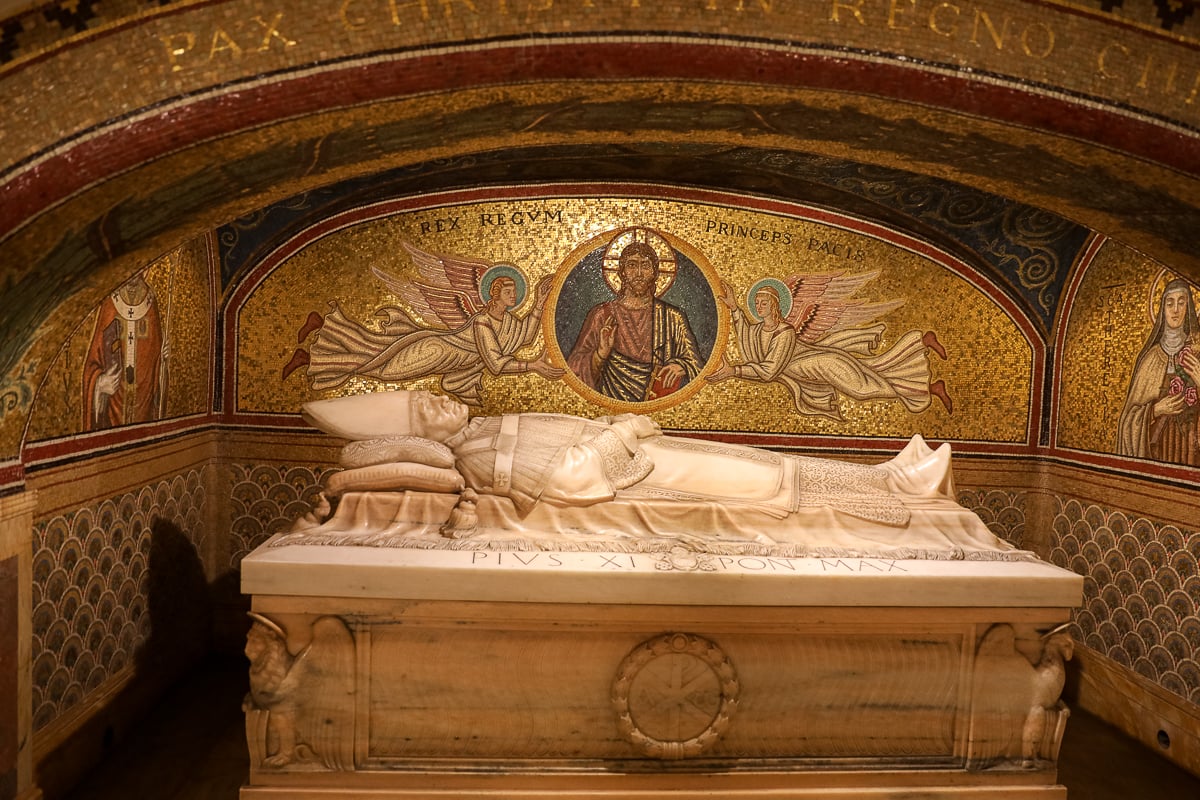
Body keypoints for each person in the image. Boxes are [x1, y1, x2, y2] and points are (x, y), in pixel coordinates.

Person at [302, 389, 959, 526]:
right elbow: (567, 482)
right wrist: (619, 432)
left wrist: (622, 433)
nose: (441, 400)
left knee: (763, 462)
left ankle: (890, 479)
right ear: (427, 437)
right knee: (767, 481)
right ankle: (896, 492)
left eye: (431, 396)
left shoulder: (488, 425)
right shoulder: (476, 458)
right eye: (426, 409)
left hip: (647, 455)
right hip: (641, 475)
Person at [302, 273, 562, 407]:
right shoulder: (483, 322)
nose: (514, 296)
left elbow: (524, 338)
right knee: (380, 368)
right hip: (436, 351)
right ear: (495, 295)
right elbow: (495, 364)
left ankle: (320, 336)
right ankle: (317, 350)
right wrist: (533, 366)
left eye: (514, 291)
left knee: (377, 354)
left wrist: (538, 303)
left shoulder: (507, 322)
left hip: (447, 360)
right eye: (508, 291)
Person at [707, 282, 951, 417]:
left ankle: (924, 369)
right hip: (811, 370)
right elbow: (747, 338)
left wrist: (735, 371)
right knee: (875, 369)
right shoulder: (760, 331)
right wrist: (735, 309)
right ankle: (925, 360)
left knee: (863, 389)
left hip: (825, 364)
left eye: (764, 303)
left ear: (775, 305)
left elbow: (770, 370)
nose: (759, 306)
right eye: (757, 303)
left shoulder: (785, 332)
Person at [565, 242, 703, 402]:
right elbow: (573, 372)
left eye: (645, 266)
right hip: (610, 406)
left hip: (658, 403)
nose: (638, 273)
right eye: (631, 265)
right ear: (622, 272)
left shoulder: (672, 317)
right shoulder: (602, 315)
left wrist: (682, 366)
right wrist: (600, 355)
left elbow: (698, 367)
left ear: (654, 273)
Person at [1117, 279, 1200, 464]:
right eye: (1170, 303)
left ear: (1189, 307)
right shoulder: (1151, 358)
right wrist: (1155, 410)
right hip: (1156, 452)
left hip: (1191, 452)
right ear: (1162, 308)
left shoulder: (1197, 352)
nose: (1175, 310)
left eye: (1181, 302)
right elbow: (1126, 422)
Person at [83, 273, 168, 430]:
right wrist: (99, 384)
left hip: (142, 403)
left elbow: (156, 362)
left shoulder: (150, 303)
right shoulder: (110, 303)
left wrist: (162, 360)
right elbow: (93, 358)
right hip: (113, 402)